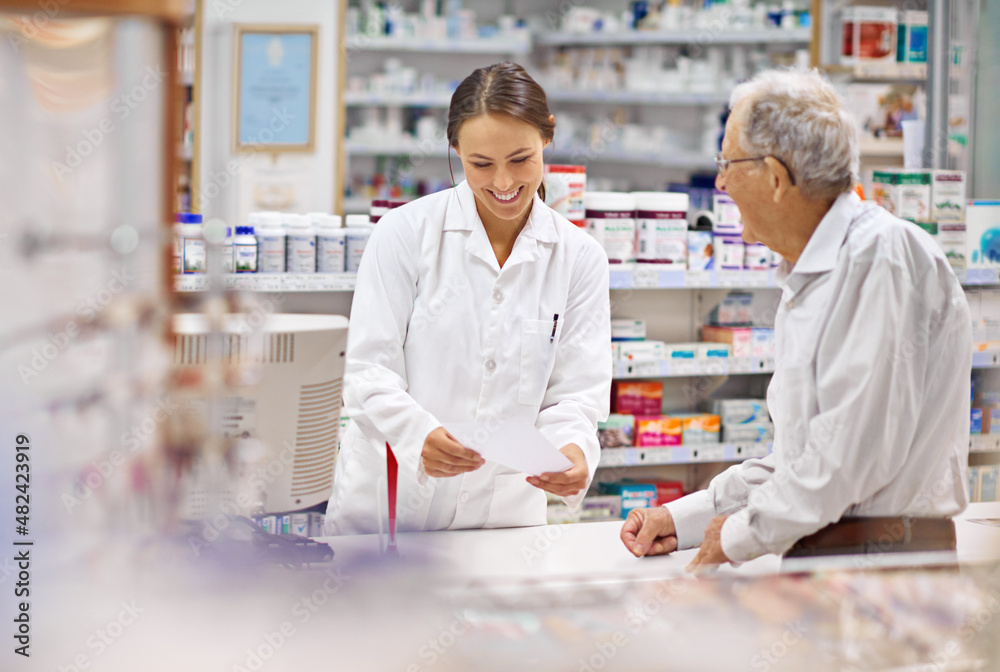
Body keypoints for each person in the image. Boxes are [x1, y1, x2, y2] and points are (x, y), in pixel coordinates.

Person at [621, 69, 971, 568]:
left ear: (775, 177)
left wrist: (737, 537)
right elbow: (800, 462)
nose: (720, 182)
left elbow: (847, 461)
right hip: (832, 558)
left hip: (887, 568)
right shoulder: (812, 273)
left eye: (727, 163)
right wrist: (682, 521)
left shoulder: (881, 259)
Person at [326, 62, 612, 535]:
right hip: (391, 513)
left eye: (520, 159)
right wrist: (418, 436)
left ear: (548, 137)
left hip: (503, 517)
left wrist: (573, 450)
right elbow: (366, 373)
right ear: (455, 149)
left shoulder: (579, 257)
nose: (503, 183)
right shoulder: (404, 234)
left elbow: (576, 394)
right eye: (481, 164)